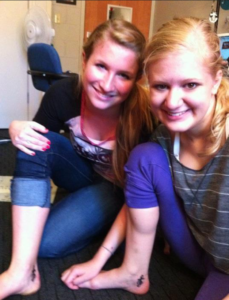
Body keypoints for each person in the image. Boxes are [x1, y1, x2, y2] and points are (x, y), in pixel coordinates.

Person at [61, 17, 229, 300]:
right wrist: (98, 260)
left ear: (215, 81)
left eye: (190, 85)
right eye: (161, 86)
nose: (172, 102)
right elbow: (134, 200)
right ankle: (133, 272)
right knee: (144, 157)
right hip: (200, 253)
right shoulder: (163, 137)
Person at [0, 19, 154, 299]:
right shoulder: (62, 94)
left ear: (137, 79)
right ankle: (22, 273)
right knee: (35, 138)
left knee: (43, 243)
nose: (107, 84)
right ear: (85, 59)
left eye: (123, 75)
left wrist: (102, 257)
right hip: (79, 173)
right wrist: (18, 129)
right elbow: (35, 155)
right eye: (101, 66)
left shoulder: (144, 117)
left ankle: (100, 220)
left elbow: (144, 192)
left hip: (116, 188)